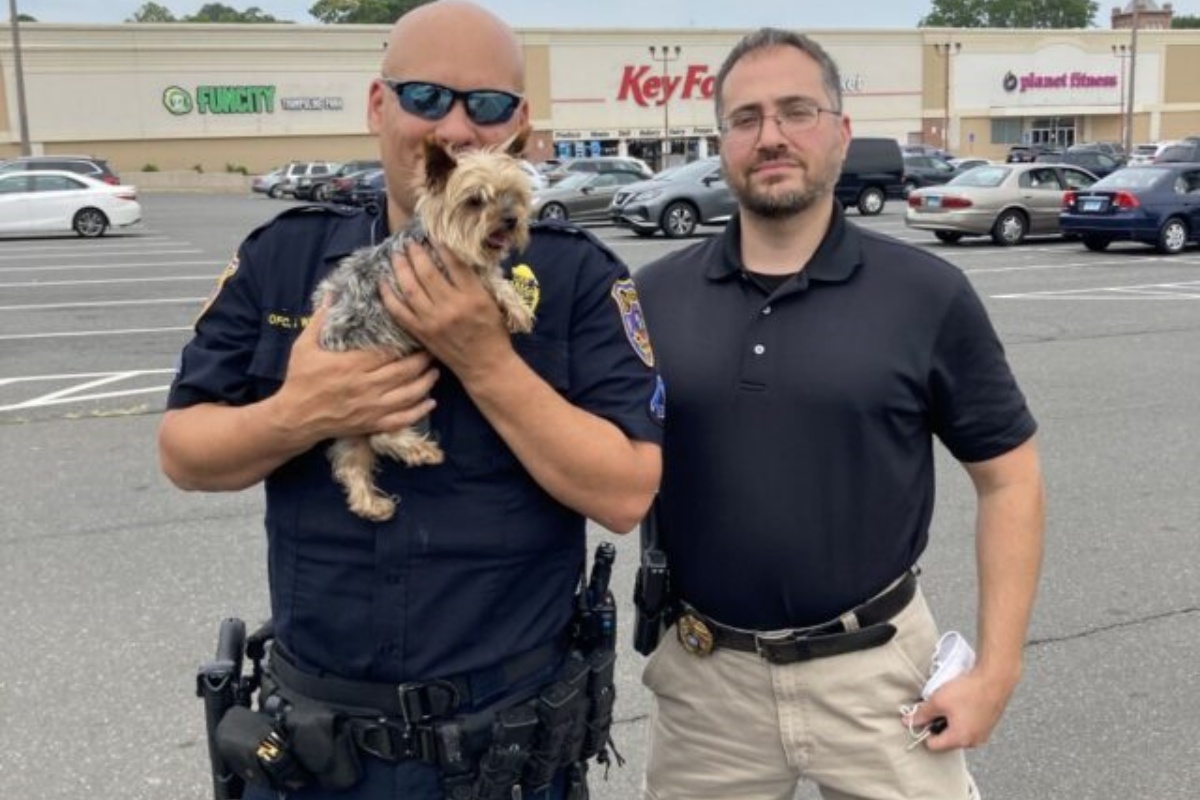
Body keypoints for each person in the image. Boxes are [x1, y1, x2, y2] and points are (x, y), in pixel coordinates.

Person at [158, 3, 661, 799]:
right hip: (313, 750)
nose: (456, 125)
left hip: (508, 752)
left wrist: (486, 360)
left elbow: (627, 492)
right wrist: (300, 412)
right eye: (425, 95)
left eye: (487, 105)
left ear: (519, 127)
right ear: (377, 105)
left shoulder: (575, 279)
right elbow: (183, 452)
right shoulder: (282, 259)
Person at [634, 28, 1044, 800]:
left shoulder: (926, 295)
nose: (772, 136)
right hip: (706, 688)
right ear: (721, 142)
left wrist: (997, 671)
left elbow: (1010, 480)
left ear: (841, 132)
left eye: (797, 111)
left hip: (880, 678)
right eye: (746, 118)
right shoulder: (652, 300)